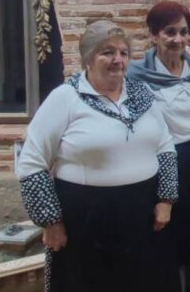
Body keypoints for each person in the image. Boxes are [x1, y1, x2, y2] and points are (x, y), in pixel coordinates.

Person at [17, 20, 178, 292]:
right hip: (85, 221)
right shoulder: (65, 98)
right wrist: (50, 221)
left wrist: (166, 200)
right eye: (107, 52)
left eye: (123, 53)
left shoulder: (142, 94)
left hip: (143, 216)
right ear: (88, 58)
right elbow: (31, 163)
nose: (118, 60)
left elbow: (165, 146)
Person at [128, 1, 190, 292]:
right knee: (166, 237)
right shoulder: (135, 78)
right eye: (170, 32)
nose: (178, 39)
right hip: (160, 167)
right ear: (154, 35)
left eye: (183, 32)